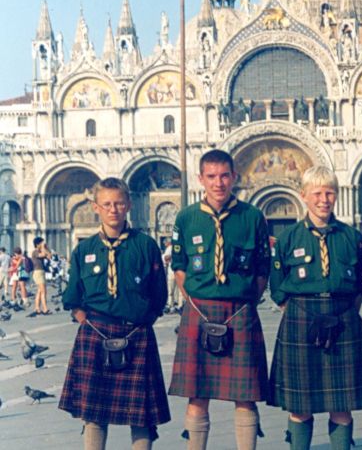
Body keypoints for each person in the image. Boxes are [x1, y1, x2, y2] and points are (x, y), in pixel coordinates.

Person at [169, 149, 271, 450]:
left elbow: (262, 270)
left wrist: (242, 299)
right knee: (197, 395)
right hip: (199, 310)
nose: (218, 183)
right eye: (211, 176)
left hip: (239, 309)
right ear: (201, 179)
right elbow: (179, 268)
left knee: (246, 395)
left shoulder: (252, 217)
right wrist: (199, 302)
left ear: (234, 177)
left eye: (224, 175)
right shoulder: (186, 217)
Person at [59, 177, 170, 450]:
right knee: (93, 414)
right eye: (107, 204)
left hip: (136, 333)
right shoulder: (83, 249)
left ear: (129, 205)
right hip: (95, 334)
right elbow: (73, 295)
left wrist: (143, 320)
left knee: (141, 415)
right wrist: (86, 321)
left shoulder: (146, 245)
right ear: (96, 207)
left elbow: (159, 294)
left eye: (119, 203)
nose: (113, 209)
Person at [268, 165, 362, 450]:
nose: (323, 199)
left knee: (342, 404)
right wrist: (299, 308)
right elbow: (277, 285)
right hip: (301, 320)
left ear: (336, 195)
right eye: (317, 193)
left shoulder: (353, 238)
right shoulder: (288, 238)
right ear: (303, 195)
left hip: (343, 319)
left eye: (329, 192)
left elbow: (361, 285)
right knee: (300, 405)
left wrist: (341, 308)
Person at [31, 236, 51, 315]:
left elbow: (49, 256)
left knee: (39, 291)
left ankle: (37, 308)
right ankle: (45, 309)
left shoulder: (41, 250)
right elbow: (42, 255)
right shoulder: (35, 252)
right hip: (38, 272)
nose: (43, 244)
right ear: (37, 244)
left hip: (41, 272)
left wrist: (46, 248)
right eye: (41, 243)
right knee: (43, 291)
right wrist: (43, 248)